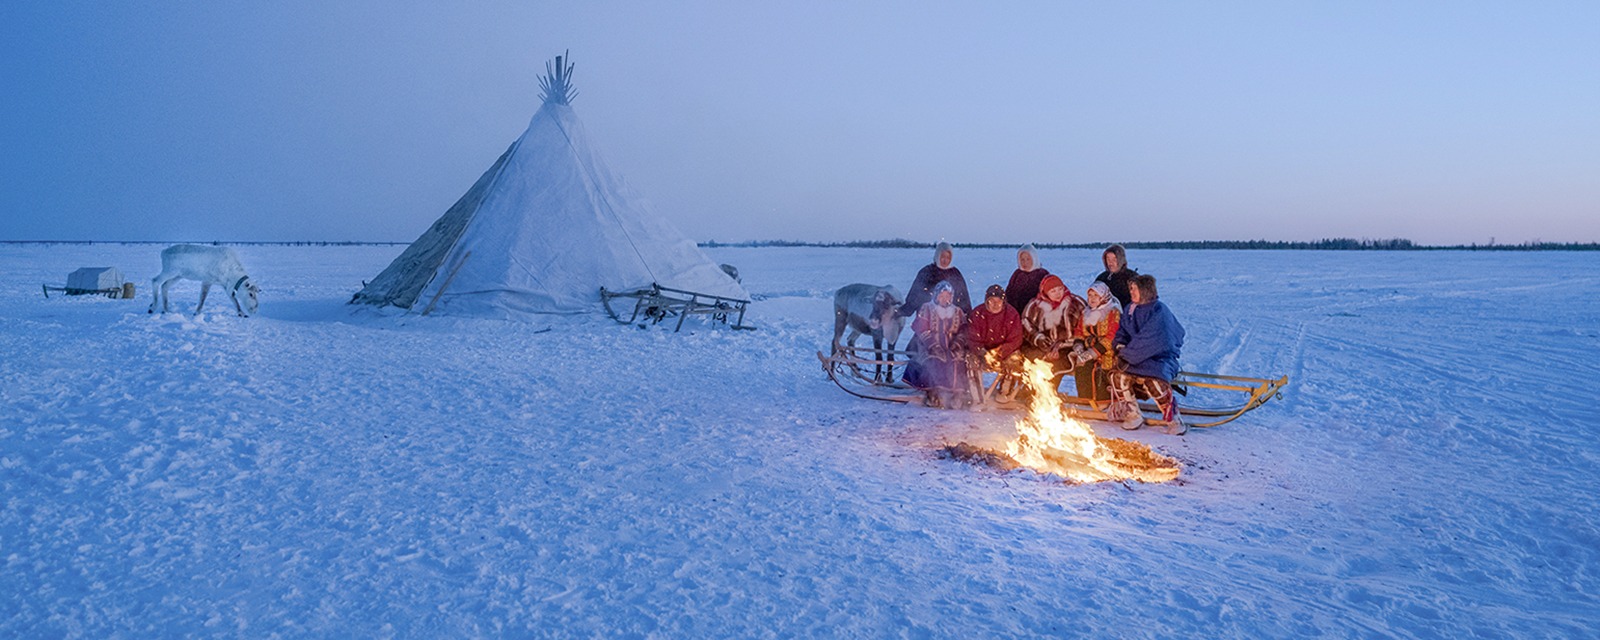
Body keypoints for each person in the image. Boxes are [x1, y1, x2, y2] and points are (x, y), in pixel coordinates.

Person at [1108, 274, 1187, 434]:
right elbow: (1122, 332)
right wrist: (1119, 346)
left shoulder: (1159, 310)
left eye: (1135, 289)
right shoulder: (1130, 309)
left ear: (1145, 290)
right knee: (1118, 376)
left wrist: (1127, 355)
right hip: (1134, 357)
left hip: (1159, 357)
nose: (1131, 292)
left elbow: (1151, 339)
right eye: (1131, 288)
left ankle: (1174, 418)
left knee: (1154, 380)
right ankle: (1132, 413)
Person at [902, 281, 970, 408]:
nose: (944, 299)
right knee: (934, 361)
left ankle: (957, 394)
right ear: (936, 296)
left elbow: (963, 330)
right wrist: (933, 345)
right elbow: (921, 328)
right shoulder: (927, 308)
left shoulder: (958, 311)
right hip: (929, 345)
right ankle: (933, 392)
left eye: (947, 296)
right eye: (941, 295)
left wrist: (957, 344)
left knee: (957, 360)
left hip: (951, 346)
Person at [1020, 275, 1087, 391]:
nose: (1058, 293)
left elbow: (1085, 327)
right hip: (1042, 346)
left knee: (1055, 365)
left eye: (1060, 289)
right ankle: (1030, 393)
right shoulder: (1035, 306)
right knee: (1032, 361)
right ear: (1046, 292)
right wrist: (1039, 339)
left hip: (1069, 347)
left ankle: (1047, 396)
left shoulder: (1076, 303)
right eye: (1053, 291)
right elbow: (1026, 324)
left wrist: (1061, 345)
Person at [968, 284, 1025, 401]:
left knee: (1015, 360)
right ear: (986, 301)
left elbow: (1016, 338)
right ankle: (977, 396)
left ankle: (1005, 392)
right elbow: (972, 338)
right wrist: (982, 353)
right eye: (991, 301)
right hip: (982, 351)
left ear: (1003, 302)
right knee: (970, 360)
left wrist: (1000, 352)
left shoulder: (1011, 314)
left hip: (1004, 351)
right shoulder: (977, 314)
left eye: (998, 301)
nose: (995, 304)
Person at [899, 242, 971, 317]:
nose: (945, 260)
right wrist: (903, 311)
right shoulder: (927, 272)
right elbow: (915, 296)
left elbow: (963, 297)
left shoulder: (955, 274)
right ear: (937, 255)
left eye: (948, 257)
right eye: (943, 256)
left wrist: (968, 316)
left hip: (951, 320)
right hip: (928, 318)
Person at [1079, 282, 1122, 408]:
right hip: (1090, 348)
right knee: (1082, 365)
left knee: (1102, 367)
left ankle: (1105, 400)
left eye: (1095, 296)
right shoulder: (1086, 312)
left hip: (1109, 350)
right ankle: (1088, 399)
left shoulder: (1113, 312)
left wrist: (1094, 352)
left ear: (1103, 297)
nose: (1092, 299)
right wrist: (1079, 346)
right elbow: (1079, 331)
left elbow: (1113, 336)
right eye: (1090, 295)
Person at [1005, 244, 1051, 314]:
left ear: (1034, 258)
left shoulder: (1042, 274)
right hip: (1016, 315)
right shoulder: (1017, 274)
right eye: (1022, 259)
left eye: (1028, 259)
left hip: (1035, 316)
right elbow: (1008, 293)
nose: (1025, 262)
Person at [1094, 244, 1139, 309]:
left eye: (1114, 259)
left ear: (1121, 259)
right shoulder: (1102, 278)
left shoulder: (1132, 277)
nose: (1110, 262)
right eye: (1108, 259)